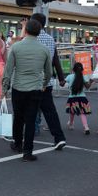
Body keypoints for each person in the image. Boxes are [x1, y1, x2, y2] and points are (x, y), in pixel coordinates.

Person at [2, 20, 52, 162]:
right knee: (31, 119)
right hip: (36, 88)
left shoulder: (16, 47)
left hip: (18, 87)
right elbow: (48, 71)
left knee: (18, 117)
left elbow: (9, 69)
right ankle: (28, 151)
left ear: (27, 30)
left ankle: (17, 143)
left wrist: (5, 87)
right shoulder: (44, 49)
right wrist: (44, 83)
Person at [30, 13, 66, 149]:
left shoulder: (31, 38)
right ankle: (59, 137)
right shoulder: (50, 39)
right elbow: (55, 60)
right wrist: (61, 78)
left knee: (29, 110)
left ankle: (25, 138)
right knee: (50, 112)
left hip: (32, 81)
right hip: (47, 82)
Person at [64, 62, 92, 135]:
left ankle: (71, 123)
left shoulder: (69, 76)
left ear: (73, 69)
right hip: (82, 98)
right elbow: (88, 86)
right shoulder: (83, 77)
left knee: (72, 111)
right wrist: (91, 81)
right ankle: (86, 128)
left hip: (72, 98)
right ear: (82, 69)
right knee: (82, 113)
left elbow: (62, 83)